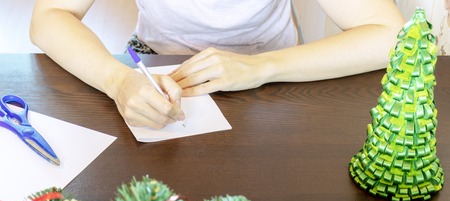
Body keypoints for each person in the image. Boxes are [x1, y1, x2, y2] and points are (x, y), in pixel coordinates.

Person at [30, 0, 405, 129]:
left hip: (277, 77)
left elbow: (390, 35)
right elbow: (49, 16)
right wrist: (117, 81)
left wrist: (262, 67)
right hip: (157, 69)